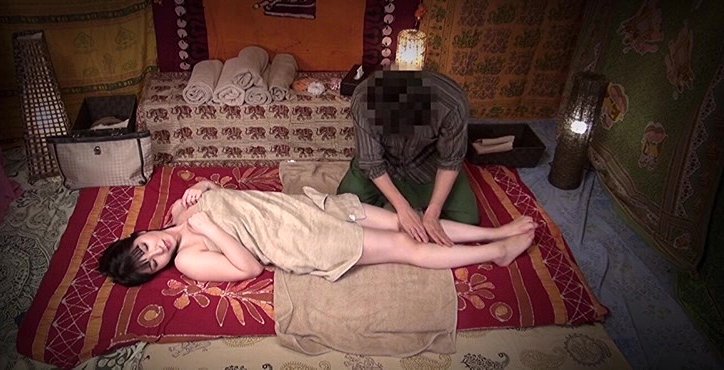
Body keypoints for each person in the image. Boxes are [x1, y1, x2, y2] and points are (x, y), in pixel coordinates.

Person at [99, 180, 536, 286]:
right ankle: (495, 252)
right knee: (407, 246)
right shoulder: (189, 261)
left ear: (139, 234)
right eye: (152, 263)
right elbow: (248, 268)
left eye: (145, 247)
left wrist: (205, 186)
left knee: (408, 220)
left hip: (306, 208)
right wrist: (209, 226)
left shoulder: (180, 209)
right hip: (304, 240)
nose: (158, 251)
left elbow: (228, 196)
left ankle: (494, 230)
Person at [337, 70, 478, 248]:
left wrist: (434, 211)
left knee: (468, 218)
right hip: (384, 163)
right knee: (343, 207)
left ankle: (407, 201)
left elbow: (450, 161)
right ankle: (390, 197)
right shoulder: (363, 99)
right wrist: (402, 208)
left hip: (425, 164)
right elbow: (371, 162)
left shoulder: (452, 104)